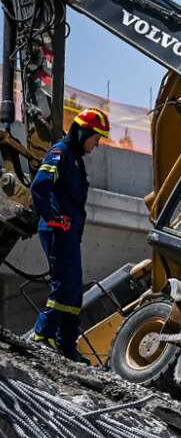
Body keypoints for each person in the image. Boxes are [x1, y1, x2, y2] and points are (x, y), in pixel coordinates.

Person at [30, 108, 110, 364]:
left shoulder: (75, 158)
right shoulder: (60, 153)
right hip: (57, 230)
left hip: (69, 232)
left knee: (74, 290)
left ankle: (66, 346)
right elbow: (40, 184)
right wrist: (53, 215)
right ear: (83, 132)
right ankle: (43, 335)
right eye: (96, 137)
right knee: (64, 286)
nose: (97, 144)